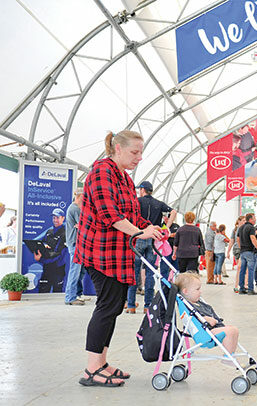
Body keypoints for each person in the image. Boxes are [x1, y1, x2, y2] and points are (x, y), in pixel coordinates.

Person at [75, 130, 162, 387]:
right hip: (100, 252)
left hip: (117, 253)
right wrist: (140, 233)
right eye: (135, 152)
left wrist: (152, 228)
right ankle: (92, 369)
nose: (139, 158)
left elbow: (132, 213)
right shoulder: (102, 171)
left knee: (112, 308)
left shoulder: (123, 177)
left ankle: (101, 363)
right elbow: (109, 215)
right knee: (106, 307)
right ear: (118, 149)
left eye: (141, 152)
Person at [126, 180, 177, 314]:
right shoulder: (159, 204)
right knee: (150, 272)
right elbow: (173, 212)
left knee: (134, 271)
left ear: (142, 190)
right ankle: (147, 305)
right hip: (153, 240)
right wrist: (166, 227)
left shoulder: (137, 201)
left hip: (139, 237)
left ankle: (130, 304)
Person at [174, 272, 239, 355]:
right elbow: (196, 320)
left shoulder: (198, 303)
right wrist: (207, 319)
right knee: (232, 330)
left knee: (234, 330)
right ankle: (228, 357)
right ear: (186, 291)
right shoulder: (189, 308)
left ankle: (230, 354)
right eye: (197, 289)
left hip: (212, 330)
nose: (200, 292)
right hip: (206, 335)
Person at [35, 208, 68, 293]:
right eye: (53, 218)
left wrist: (41, 259)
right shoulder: (49, 231)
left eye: (57, 217)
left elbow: (58, 253)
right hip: (47, 268)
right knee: (42, 292)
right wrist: (44, 246)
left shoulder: (65, 233)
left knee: (57, 293)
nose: (55, 220)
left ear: (63, 218)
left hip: (58, 268)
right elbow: (40, 245)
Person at [64, 188, 88, 306]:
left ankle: (77, 294)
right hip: (75, 243)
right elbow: (85, 225)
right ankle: (70, 297)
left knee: (80, 270)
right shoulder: (75, 209)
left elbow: (82, 225)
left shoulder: (74, 208)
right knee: (75, 271)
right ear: (79, 196)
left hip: (76, 243)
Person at [238, 213, 257, 295]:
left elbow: (238, 239)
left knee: (242, 270)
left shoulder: (240, 228)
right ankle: (250, 289)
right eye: (254, 218)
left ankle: (241, 288)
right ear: (250, 219)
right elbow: (253, 238)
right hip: (250, 252)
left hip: (243, 251)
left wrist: (241, 247)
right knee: (251, 270)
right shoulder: (251, 227)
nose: (255, 220)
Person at [227, 216, 245, 293]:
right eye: (243, 220)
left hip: (242, 249)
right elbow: (232, 241)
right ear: (239, 221)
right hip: (238, 250)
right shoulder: (235, 230)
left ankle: (240, 285)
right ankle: (238, 285)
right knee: (240, 268)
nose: (245, 221)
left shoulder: (244, 228)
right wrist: (228, 251)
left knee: (241, 268)